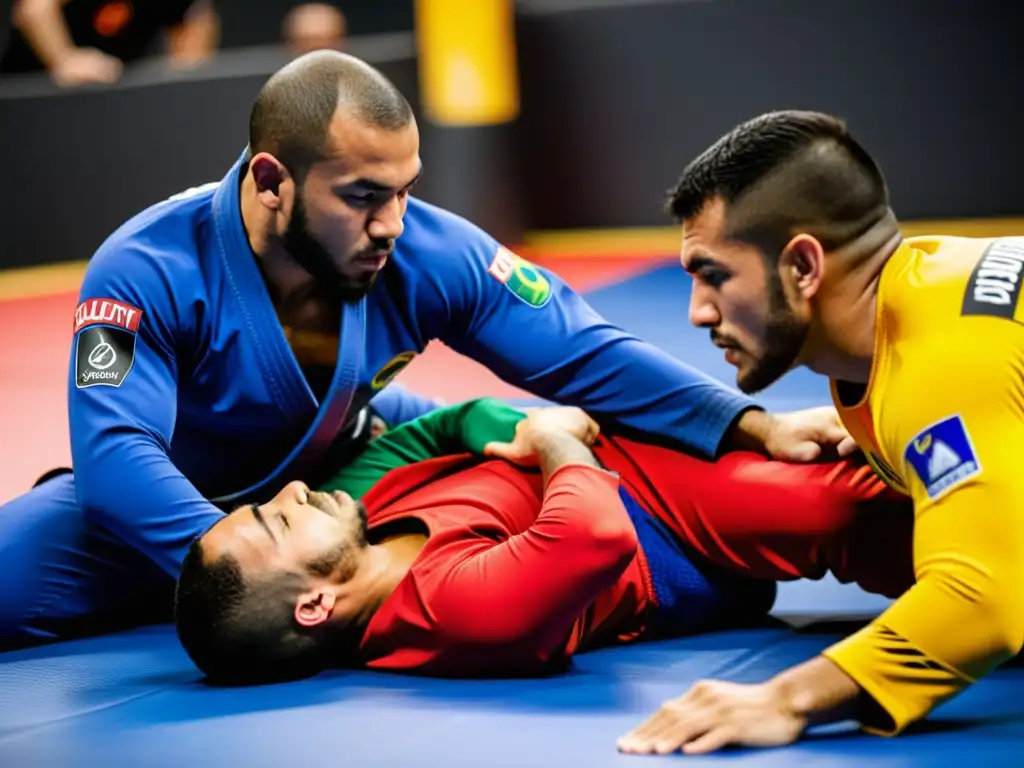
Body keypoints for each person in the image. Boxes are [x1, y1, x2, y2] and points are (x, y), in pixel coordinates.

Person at [0, 54, 846, 652]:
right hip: (163, 509)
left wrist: (746, 424)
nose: (393, 225)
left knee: (570, 439)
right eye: (364, 197)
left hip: (346, 468)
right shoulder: (145, 268)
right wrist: (253, 579)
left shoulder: (426, 250)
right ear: (270, 182)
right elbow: (112, 457)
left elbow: (582, 351)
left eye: (406, 190)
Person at [617, 109, 1024, 756]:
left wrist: (785, 698)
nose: (697, 311)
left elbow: (984, 600)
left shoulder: (942, 364)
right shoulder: (930, 285)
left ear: (803, 266)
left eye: (714, 275)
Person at [173, 398, 915, 684]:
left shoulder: (355, 503)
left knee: (853, 435)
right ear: (314, 605)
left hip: (610, 460)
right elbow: (593, 534)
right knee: (840, 506)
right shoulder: (448, 615)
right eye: (276, 520)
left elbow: (448, 423)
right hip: (649, 527)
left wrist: (521, 433)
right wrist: (556, 441)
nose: (292, 492)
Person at [2, 0, 219, 85]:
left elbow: (195, 19)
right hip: (30, 89)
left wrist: (185, 76)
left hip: (114, 89)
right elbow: (35, 9)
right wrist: (66, 58)